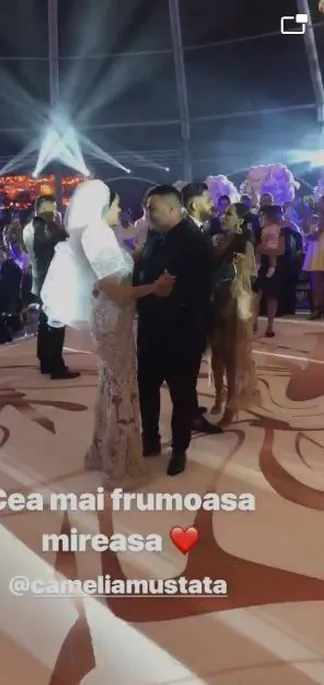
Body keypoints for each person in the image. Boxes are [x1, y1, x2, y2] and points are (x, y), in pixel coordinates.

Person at [41, 179, 174, 488]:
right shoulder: (97, 236)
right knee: (120, 383)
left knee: (113, 381)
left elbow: (118, 270)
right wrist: (154, 288)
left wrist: (140, 252)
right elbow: (115, 289)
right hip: (112, 317)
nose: (119, 210)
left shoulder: (102, 233)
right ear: (103, 206)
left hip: (116, 316)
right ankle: (119, 461)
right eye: (116, 205)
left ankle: (107, 450)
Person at [134, 183, 221, 477]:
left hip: (182, 331)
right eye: (147, 208)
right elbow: (144, 274)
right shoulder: (154, 236)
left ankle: (180, 449)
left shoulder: (195, 239)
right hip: (151, 327)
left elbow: (206, 285)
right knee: (147, 387)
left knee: (182, 393)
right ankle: (150, 438)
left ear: (173, 208)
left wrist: (174, 291)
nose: (148, 213)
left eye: (153, 208)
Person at [210, 204, 257, 426]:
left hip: (234, 302)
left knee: (232, 356)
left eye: (229, 214)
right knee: (215, 353)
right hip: (214, 299)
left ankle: (231, 404)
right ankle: (218, 395)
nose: (224, 216)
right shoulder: (217, 239)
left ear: (240, 220)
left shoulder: (243, 244)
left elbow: (247, 274)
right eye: (224, 213)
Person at [23, 195, 79, 379]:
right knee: (56, 325)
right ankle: (57, 366)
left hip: (40, 281)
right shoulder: (44, 227)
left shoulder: (28, 227)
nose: (53, 212)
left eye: (54, 208)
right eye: (50, 208)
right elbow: (64, 238)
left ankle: (46, 362)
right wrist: (58, 225)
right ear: (39, 208)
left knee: (45, 324)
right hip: (52, 282)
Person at [253, 205, 286, 337]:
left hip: (274, 265)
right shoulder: (259, 230)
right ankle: (253, 322)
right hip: (261, 265)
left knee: (272, 296)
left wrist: (267, 251)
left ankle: (270, 327)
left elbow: (281, 250)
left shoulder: (281, 231)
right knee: (257, 295)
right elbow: (256, 248)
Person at [303, 196, 324, 319]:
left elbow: (317, 234)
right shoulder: (318, 216)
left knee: (317, 279)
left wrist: (308, 236)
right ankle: (318, 307)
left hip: (320, 248)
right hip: (318, 247)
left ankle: (317, 308)